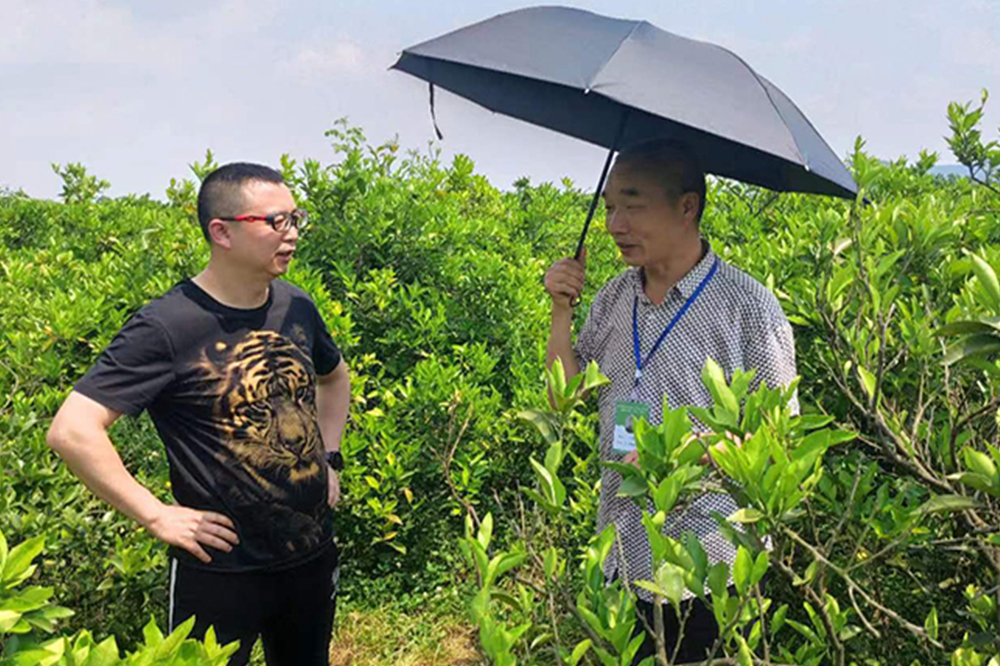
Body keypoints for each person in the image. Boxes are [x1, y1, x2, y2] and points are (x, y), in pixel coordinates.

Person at [46, 163, 351, 666]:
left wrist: (331, 457)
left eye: (296, 219)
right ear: (222, 231)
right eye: (276, 222)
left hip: (311, 558)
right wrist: (156, 514)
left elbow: (334, 378)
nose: (292, 233)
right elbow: (73, 430)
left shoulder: (297, 306)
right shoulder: (166, 326)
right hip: (219, 573)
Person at [543, 140, 797, 663]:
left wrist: (686, 452)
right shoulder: (616, 297)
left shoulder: (748, 307)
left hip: (709, 570)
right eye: (610, 206)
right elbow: (563, 397)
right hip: (620, 556)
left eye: (633, 205)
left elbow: (778, 441)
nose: (615, 224)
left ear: (688, 207)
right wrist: (560, 312)